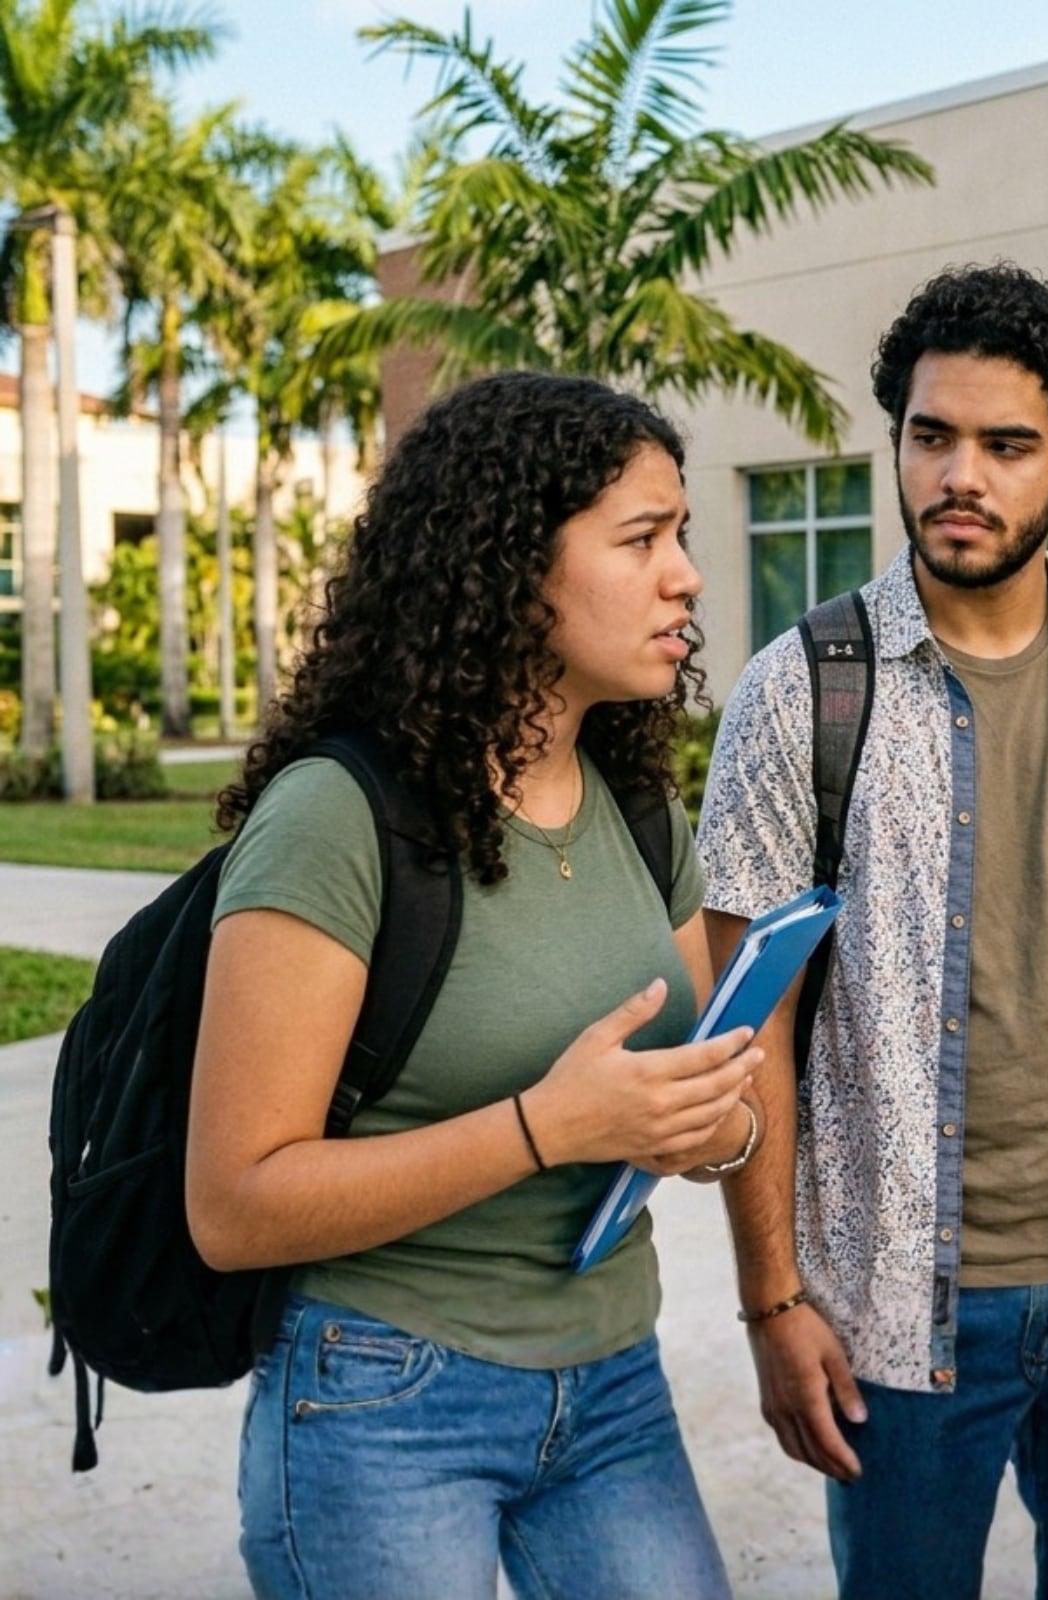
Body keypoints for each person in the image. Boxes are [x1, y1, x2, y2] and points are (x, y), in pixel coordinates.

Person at [698, 262, 1048, 1599]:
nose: (961, 474)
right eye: (931, 435)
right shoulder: (801, 692)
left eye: (1007, 445)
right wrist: (774, 1301)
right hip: (895, 1309)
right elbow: (750, 1028)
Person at [188, 371, 756, 1600]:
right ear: (512, 569)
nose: (687, 577)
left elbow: (705, 1107)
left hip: (613, 1380)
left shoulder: (641, 806)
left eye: (684, 535)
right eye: (642, 539)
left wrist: (717, 1120)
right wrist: (548, 1127)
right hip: (384, 1391)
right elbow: (234, 1203)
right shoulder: (338, 819)